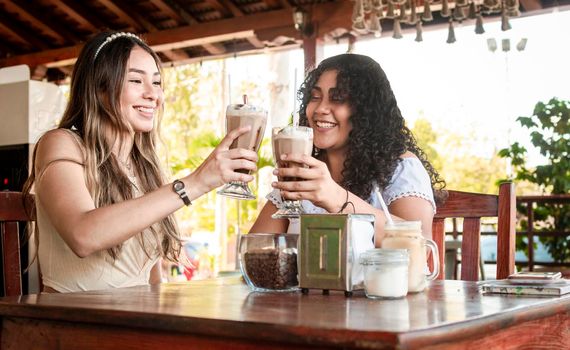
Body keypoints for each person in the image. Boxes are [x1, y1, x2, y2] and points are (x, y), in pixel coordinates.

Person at [22, 31, 258, 293]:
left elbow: (152, 277)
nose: (153, 95)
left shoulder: (144, 165)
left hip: (134, 318)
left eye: (156, 83)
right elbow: (82, 235)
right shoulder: (61, 143)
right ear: (99, 88)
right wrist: (196, 183)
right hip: (73, 321)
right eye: (136, 80)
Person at [250, 54, 445, 244]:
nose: (320, 109)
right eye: (315, 97)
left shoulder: (400, 169)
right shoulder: (301, 172)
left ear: (366, 111)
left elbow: (420, 246)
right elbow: (254, 250)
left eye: (338, 98)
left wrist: (336, 198)